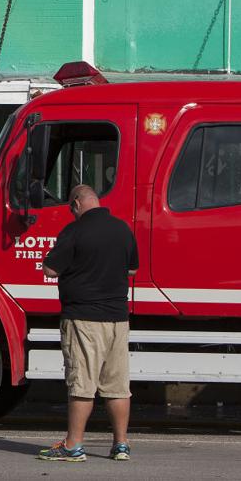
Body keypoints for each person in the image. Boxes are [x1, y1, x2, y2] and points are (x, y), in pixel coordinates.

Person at [38, 184, 139, 463]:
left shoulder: (74, 231)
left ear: (75, 205)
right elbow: (132, 269)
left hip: (84, 319)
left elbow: (50, 268)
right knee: (117, 386)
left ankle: (73, 446)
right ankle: (121, 445)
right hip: (118, 319)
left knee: (82, 384)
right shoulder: (122, 229)